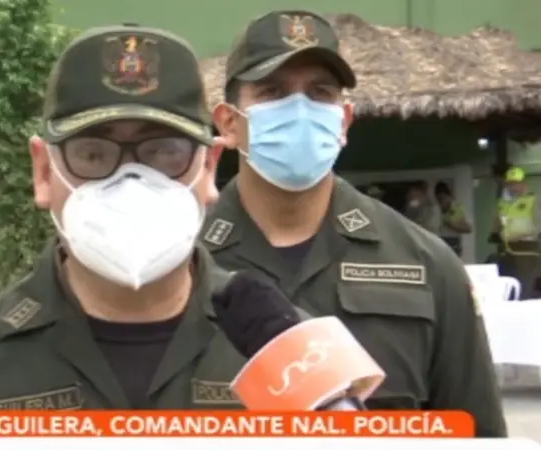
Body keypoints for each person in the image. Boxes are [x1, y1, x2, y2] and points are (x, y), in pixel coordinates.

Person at [0, 23, 243, 409]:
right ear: (44, 172)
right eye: (93, 154)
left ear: (209, 167)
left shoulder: (284, 356)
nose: (130, 181)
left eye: (165, 152)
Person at [204, 10, 506, 436]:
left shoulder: (427, 265)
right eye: (273, 92)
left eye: (320, 92)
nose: (300, 110)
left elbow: (475, 435)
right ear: (229, 123)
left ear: (343, 121)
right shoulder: (182, 262)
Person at [493, 166, 541, 299]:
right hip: (507, 249)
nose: (513, 187)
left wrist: (520, 234)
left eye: (516, 183)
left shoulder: (533, 200)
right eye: (510, 184)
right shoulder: (503, 203)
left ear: (524, 183)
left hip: (526, 249)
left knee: (524, 286)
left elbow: (538, 226)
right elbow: (498, 223)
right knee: (509, 286)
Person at [435, 182, 471, 257]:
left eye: (443, 198)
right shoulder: (435, 210)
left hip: (453, 243)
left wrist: (451, 224)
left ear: (449, 196)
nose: (441, 202)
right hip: (439, 243)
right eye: (439, 200)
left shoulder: (458, 208)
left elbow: (468, 229)